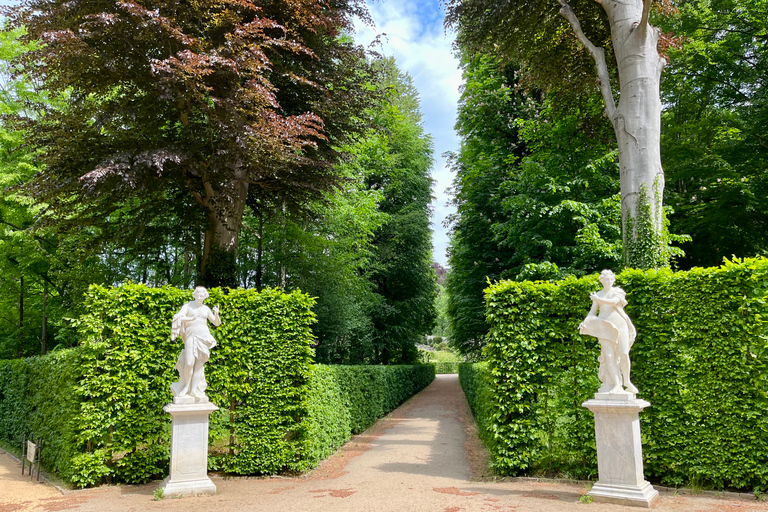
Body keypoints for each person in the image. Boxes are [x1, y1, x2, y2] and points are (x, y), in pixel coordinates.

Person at [579, 269, 638, 394]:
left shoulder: (617, 292)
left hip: (621, 325)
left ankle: (627, 381)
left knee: (623, 353)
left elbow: (614, 302)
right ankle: (617, 384)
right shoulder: (598, 295)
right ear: (602, 281)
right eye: (606, 279)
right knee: (609, 356)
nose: (609, 281)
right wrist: (584, 322)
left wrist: (598, 299)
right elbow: (592, 312)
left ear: (614, 280)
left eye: (611, 279)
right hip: (605, 328)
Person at [170, 286, 221, 402]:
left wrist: (216, 313)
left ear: (205, 297)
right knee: (188, 363)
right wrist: (191, 318)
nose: (199, 297)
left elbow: (216, 323)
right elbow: (177, 318)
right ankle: (186, 387)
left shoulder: (206, 309)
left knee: (199, 365)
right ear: (194, 295)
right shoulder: (187, 306)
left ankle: (193, 389)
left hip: (203, 337)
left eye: (202, 295)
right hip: (190, 336)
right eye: (197, 295)